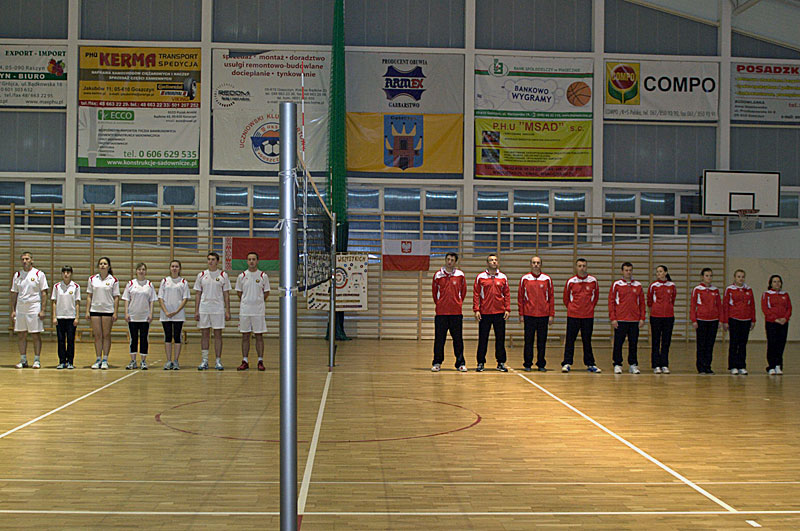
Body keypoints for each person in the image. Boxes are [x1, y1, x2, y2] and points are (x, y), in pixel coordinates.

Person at [561, 258, 601, 373]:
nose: (582, 268)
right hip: (573, 316)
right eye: (579, 266)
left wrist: (589, 308)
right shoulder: (571, 281)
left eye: (584, 266)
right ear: (576, 267)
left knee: (587, 340)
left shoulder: (593, 281)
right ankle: (567, 363)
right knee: (570, 340)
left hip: (588, 316)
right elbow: (566, 298)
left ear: (586, 267)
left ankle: (590, 364)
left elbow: (595, 297)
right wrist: (572, 308)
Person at [10, 252, 49, 369]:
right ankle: (23, 360)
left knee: (35, 335)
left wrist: (43, 310)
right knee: (21, 334)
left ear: (32, 260)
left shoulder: (39, 274)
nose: (24, 261)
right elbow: (14, 293)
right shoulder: (17, 275)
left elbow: (44, 292)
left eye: (27, 259)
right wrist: (13, 310)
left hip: (34, 307)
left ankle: (37, 360)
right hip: (21, 308)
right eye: (22, 259)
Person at [473, 254, 510, 372]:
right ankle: (480, 363)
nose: (494, 262)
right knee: (483, 339)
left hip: (500, 313)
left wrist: (507, 309)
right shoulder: (480, 277)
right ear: (487, 263)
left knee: (500, 339)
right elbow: (476, 294)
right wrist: (476, 309)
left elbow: (507, 294)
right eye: (491, 260)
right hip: (485, 313)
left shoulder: (503, 277)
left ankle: (501, 362)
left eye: (495, 260)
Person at [194, 251, 231, 370]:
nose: (210, 261)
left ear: (217, 261)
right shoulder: (201, 275)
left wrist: (227, 310)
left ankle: (218, 361)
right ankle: (204, 360)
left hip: (218, 309)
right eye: (209, 259)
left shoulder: (223, 275)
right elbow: (198, 294)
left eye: (213, 259)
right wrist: (196, 310)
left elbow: (226, 294)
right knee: (205, 334)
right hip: (204, 308)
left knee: (218, 335)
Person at [431, 252, 467, 372]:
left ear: (455, 262)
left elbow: (463, 292)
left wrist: (457, 303)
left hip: (456, 313)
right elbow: (434, 293)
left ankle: (460, 363)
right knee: (439, 339)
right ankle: (437, 362)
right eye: (448, 259)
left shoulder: (460, 275)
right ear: (445, 260)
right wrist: (440, 304)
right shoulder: (438, 275)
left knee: (458, 339)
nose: (449, 262)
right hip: (441, 314)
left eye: (452, 260)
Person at [517, 256, 554, 372]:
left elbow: (551, 297)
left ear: (541, 264)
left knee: (541, 341)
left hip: (543, 315)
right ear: (530, 264)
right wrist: (521, 313)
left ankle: (541, 364)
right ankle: (527, 364)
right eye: (534, 263)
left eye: (538, 263)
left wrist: (551, 314)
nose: (536, 265)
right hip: (529, 314)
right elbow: (520, 297)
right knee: (528, 341)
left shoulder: (547, 279)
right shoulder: (525, 279)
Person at [235, 252, 270, 371]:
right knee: (245, 336)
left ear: (257, 261)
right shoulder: (242, 276)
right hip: (245, 311)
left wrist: (257, 302)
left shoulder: (263, 276)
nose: (251, 261)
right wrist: (247, 301)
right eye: (249, 259)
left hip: (258, 311)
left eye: (253, 259)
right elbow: (239, 292)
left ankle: (260, 360)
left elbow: (266, 292)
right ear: (247, 261)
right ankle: (245, 360)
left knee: (259, 336)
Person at [609, 262, 646, 374]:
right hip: (620, 319)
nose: (628, 272)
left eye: (630, 270)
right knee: (618, 343)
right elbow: (611, 302)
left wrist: (642, 318)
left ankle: (633, 364)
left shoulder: (638, 285)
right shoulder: (616, 284)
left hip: (634, 320)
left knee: (633, 343)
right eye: (626, 270)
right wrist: (613, 318)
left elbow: (642, 303)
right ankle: (617, 364)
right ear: (622, 271)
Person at [122, 263, 157, 370]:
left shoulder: (149, 284)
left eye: (143, 269)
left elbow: (151, 301)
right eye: (139, 269)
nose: (141, 271)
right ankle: (133, 361)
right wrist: (126, 313)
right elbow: (126, 299)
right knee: (133, 338)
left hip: (144, 317)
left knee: (144, 338)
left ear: (145, 271)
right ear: (136, 271)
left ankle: (143, 361)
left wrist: (151, 313)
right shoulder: (130, 284)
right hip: (133, 316)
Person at [86, 257, 119, 369]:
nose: (103, 265)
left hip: (108, 310)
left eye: (105, 264)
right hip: (95, 310)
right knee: (97, 335)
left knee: (106, 335)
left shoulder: (113, 280)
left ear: (108, 266)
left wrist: (115, 312)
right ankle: (98, 359)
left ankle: (105, 359)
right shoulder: (92, 279)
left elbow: (116, 297)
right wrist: (88, 311)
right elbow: (89, 296)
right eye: (101, 264)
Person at [722, 269, 756, 375]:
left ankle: (742, 365)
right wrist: (725, 321)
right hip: (734, 319)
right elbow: (725, 305)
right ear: (735, 277)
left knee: (743, 344)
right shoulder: (729, 289)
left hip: (746, 320)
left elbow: (752, 305)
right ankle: (733, 366)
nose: (741, 279)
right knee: (734, 343)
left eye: (742, 277)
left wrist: (753, 319)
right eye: (738, 276)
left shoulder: (749, 290)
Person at [158, 260, 190, 370]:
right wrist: (166, 311)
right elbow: (160, 298)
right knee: (167, 336)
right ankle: (168, 361)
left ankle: (176, 361)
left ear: (180, 268)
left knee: (177, 337)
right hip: (166, 314)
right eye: (172, 266)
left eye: (176, 266)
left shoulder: (183, 282)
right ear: (170, 268)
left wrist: (176, 311)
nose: (174, 268)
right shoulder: (164, 281)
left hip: (178, 315)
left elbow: (185, 298)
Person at [690, 267, 721, 374]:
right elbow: (693, 305)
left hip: (713, 320)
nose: (709, 278)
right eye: (707, 275)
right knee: (701, 345)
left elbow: (719, 306)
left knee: (710, 345)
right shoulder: (697, 289)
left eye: (711, 276)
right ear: (702, 277)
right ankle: (701, 367)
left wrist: (720, 320)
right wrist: (694, 320)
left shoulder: (715, 290)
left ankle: (708, 366)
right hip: (701, 320)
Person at [647, 265, 676, 374]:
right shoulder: (653, 286)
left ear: (665, 273)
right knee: (655, 341)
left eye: (660, 271)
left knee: (666, 341)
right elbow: (649, 301)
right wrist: (654, 310)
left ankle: (664, 364)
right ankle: (656, 365)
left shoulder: (672, 285)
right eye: (657, 272)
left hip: (669, 317)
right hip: (656, 317)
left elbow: (672, 299)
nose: (658, 273)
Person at [51, 265, 80, 369]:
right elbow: (54, 302)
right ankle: (62, 361)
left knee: (71, 340)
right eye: (64, 272)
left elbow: (77, 303)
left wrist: (77, 317)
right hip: (60, 317)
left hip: (71, 317)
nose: (66, 274)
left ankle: (70, 362)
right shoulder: (57, 286)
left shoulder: (76, 286)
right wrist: (54, 316)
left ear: (71, 274)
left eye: (68, 272)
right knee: (61, 340)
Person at [762, 274, 792, 375]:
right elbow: (765, 309)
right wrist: (775, 319)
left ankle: (778, 365)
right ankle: (771, 366)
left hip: (783, 323)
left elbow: (789, 308)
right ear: (771, 283)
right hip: (772, 323)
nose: (777, 283)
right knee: (772, 344)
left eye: (778, 281)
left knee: (781, 344)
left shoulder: (785, 295)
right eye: (774, 282)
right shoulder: (766, 294)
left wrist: (785, 318)